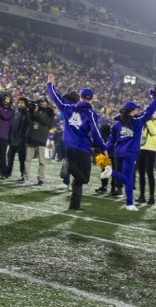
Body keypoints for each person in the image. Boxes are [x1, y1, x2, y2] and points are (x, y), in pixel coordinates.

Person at [47, 77, 106, 212]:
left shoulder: (68, 107)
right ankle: (70, 167)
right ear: (91, 99)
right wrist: (103, 147)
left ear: (80, 96)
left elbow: (55, 97)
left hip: (68, 145)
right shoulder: (91, 113)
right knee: (84, 178)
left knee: (78, 180)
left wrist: (50, 84)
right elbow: (96, 133)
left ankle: (74, 204)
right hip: (82, 147)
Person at [105, 87, 156, 211]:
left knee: (126, 178)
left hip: (119, 153)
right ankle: (129, 203)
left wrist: (105, 153)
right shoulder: (137, 121)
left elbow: (111, 141)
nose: (137, 111)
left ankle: (129, 202)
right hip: (130, 153)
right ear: (131, 111)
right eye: (135, 109)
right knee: (128, 179)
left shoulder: (116, 124)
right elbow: (150, 111)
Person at [25, 97, 55, 185]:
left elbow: (45, 122)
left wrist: (37, 112)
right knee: (28, 159)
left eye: (44, 102)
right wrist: (33, 108)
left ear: (47, 103)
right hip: (31, 136)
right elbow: (29, 118)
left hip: (41, 138)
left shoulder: (50, 112)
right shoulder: (34, 109)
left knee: (42, 161)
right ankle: (25, 177)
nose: (42, 103)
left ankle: (41, 178)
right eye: (40, 102)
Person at [136, 112, 156, 205]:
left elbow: (154, 131)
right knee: (141, 174)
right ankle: (142, 195)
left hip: (151, 150)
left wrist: (149, 121)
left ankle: (152, 196)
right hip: (141, 149)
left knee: (150, 173)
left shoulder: (155, 122)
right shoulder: (142, 122)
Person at [5, 97, 30, 182]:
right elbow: (11, 126)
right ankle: (8, 173)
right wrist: (9, 137)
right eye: (19, 102)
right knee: (10, 157)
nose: (20, 104)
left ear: (26, 104)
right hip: (13, 139)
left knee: (22, 159)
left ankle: (23, 175)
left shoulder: (27, 114)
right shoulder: (15, 113)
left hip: (21, 140)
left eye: (22, 102)